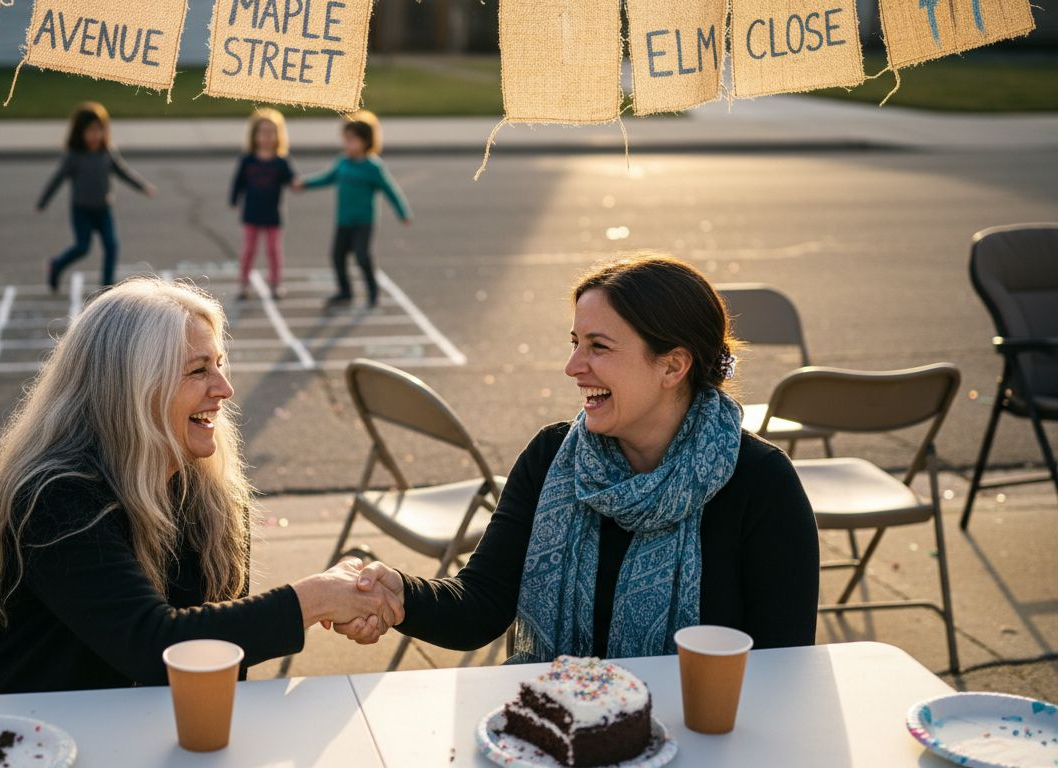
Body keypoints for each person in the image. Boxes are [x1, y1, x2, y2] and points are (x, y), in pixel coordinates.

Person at [337, 255, 819, 660]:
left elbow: (786, 662)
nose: (573, 367)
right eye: (575, 344)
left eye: (599, 347)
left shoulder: (759, 481)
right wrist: (395, 592)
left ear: (672, 365)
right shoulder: (552, 457)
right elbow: (479, 607)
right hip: (562, 728)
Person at [0, 277, 401, 694]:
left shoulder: (205, 492)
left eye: (220, 364)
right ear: (129, 388)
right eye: (198, 370)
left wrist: (342, 598)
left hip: (134, 732)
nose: (225, 388)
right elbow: (156, 647)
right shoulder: (56, 496)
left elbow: (221, 661)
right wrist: (317, 600)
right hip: (18, 737)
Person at [294, 110, 411, 309]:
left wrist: (403, 212)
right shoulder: (343, 162)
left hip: (364, 221)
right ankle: (345, 292)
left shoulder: (374, 168)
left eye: (352, 140)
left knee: (362, 256)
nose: (347, 144)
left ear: (366, 142)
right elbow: (327, 178)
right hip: (344, 221)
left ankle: (372, 291)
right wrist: (305, 184)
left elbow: (390, 190)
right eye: (345, 140)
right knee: (337, 256)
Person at [38, 102, 157, 293]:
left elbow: (123, 172)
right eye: (90, 131)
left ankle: (106, 287)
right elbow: (57, 179)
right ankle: (56, 265)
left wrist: (142, 186)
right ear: (80, 133)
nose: (95, 136)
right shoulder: (74, 157)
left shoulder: (107, 152)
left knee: (111, 246)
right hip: (82, 210)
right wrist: (43, 201)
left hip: (103, 209)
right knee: (82, 247)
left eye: (99, 130)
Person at [230, 108, 296, 301]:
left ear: (278, 135)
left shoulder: (281, 161)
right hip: (252, 212)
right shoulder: (247, 160)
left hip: (273, 213)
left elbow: (292, 180)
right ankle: (243, 283)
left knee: (273, 250)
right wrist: (234, 199)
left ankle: (276, 283)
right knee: (249, 249)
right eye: (262, 132)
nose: (266, 137)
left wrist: (299, 184)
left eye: (271, 132)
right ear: (254, 135)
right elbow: (238, 182)